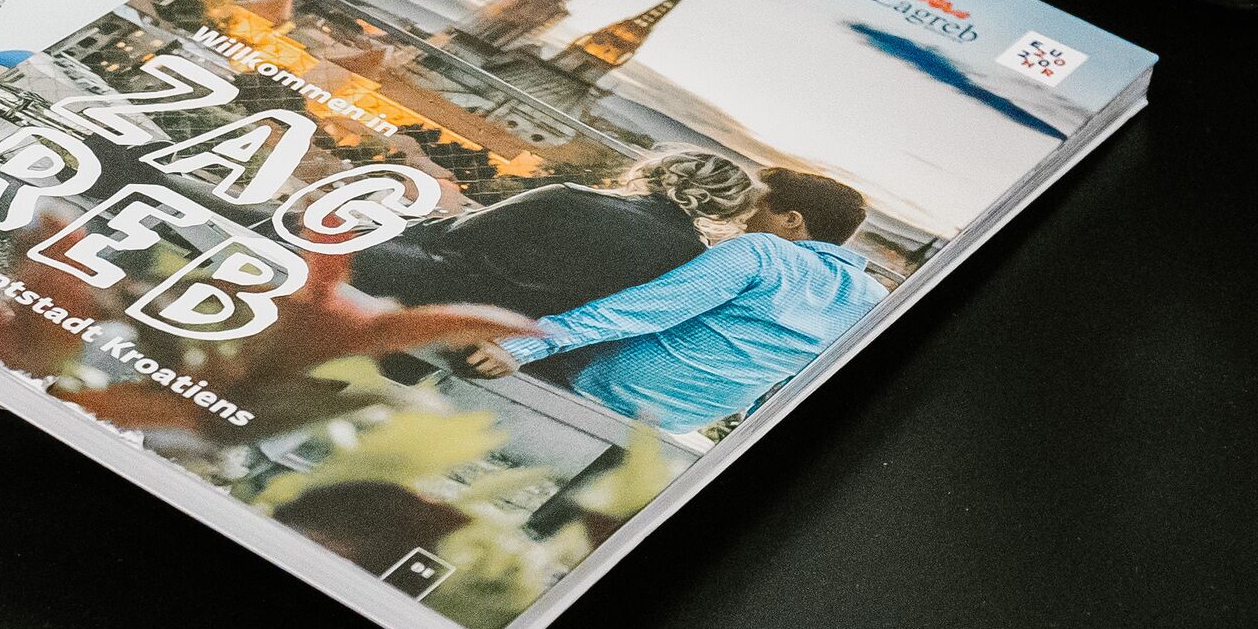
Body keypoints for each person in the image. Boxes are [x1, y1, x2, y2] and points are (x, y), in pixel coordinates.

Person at [457, 168, 885, 431]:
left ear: (792, 220)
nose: (746, 217)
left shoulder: (763, 252)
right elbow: (795, 379)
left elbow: (641, 310)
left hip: (597, 388)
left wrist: (524, 346)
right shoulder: (872, 297)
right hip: (676, 424)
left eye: (760, 209)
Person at [345, 148, 760, 321]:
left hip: (439, 292)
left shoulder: (568, 196)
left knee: (326, 228)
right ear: (726, 210)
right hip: (518, 330)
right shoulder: (695, 261)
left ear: (654, 171)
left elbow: (452, 236)